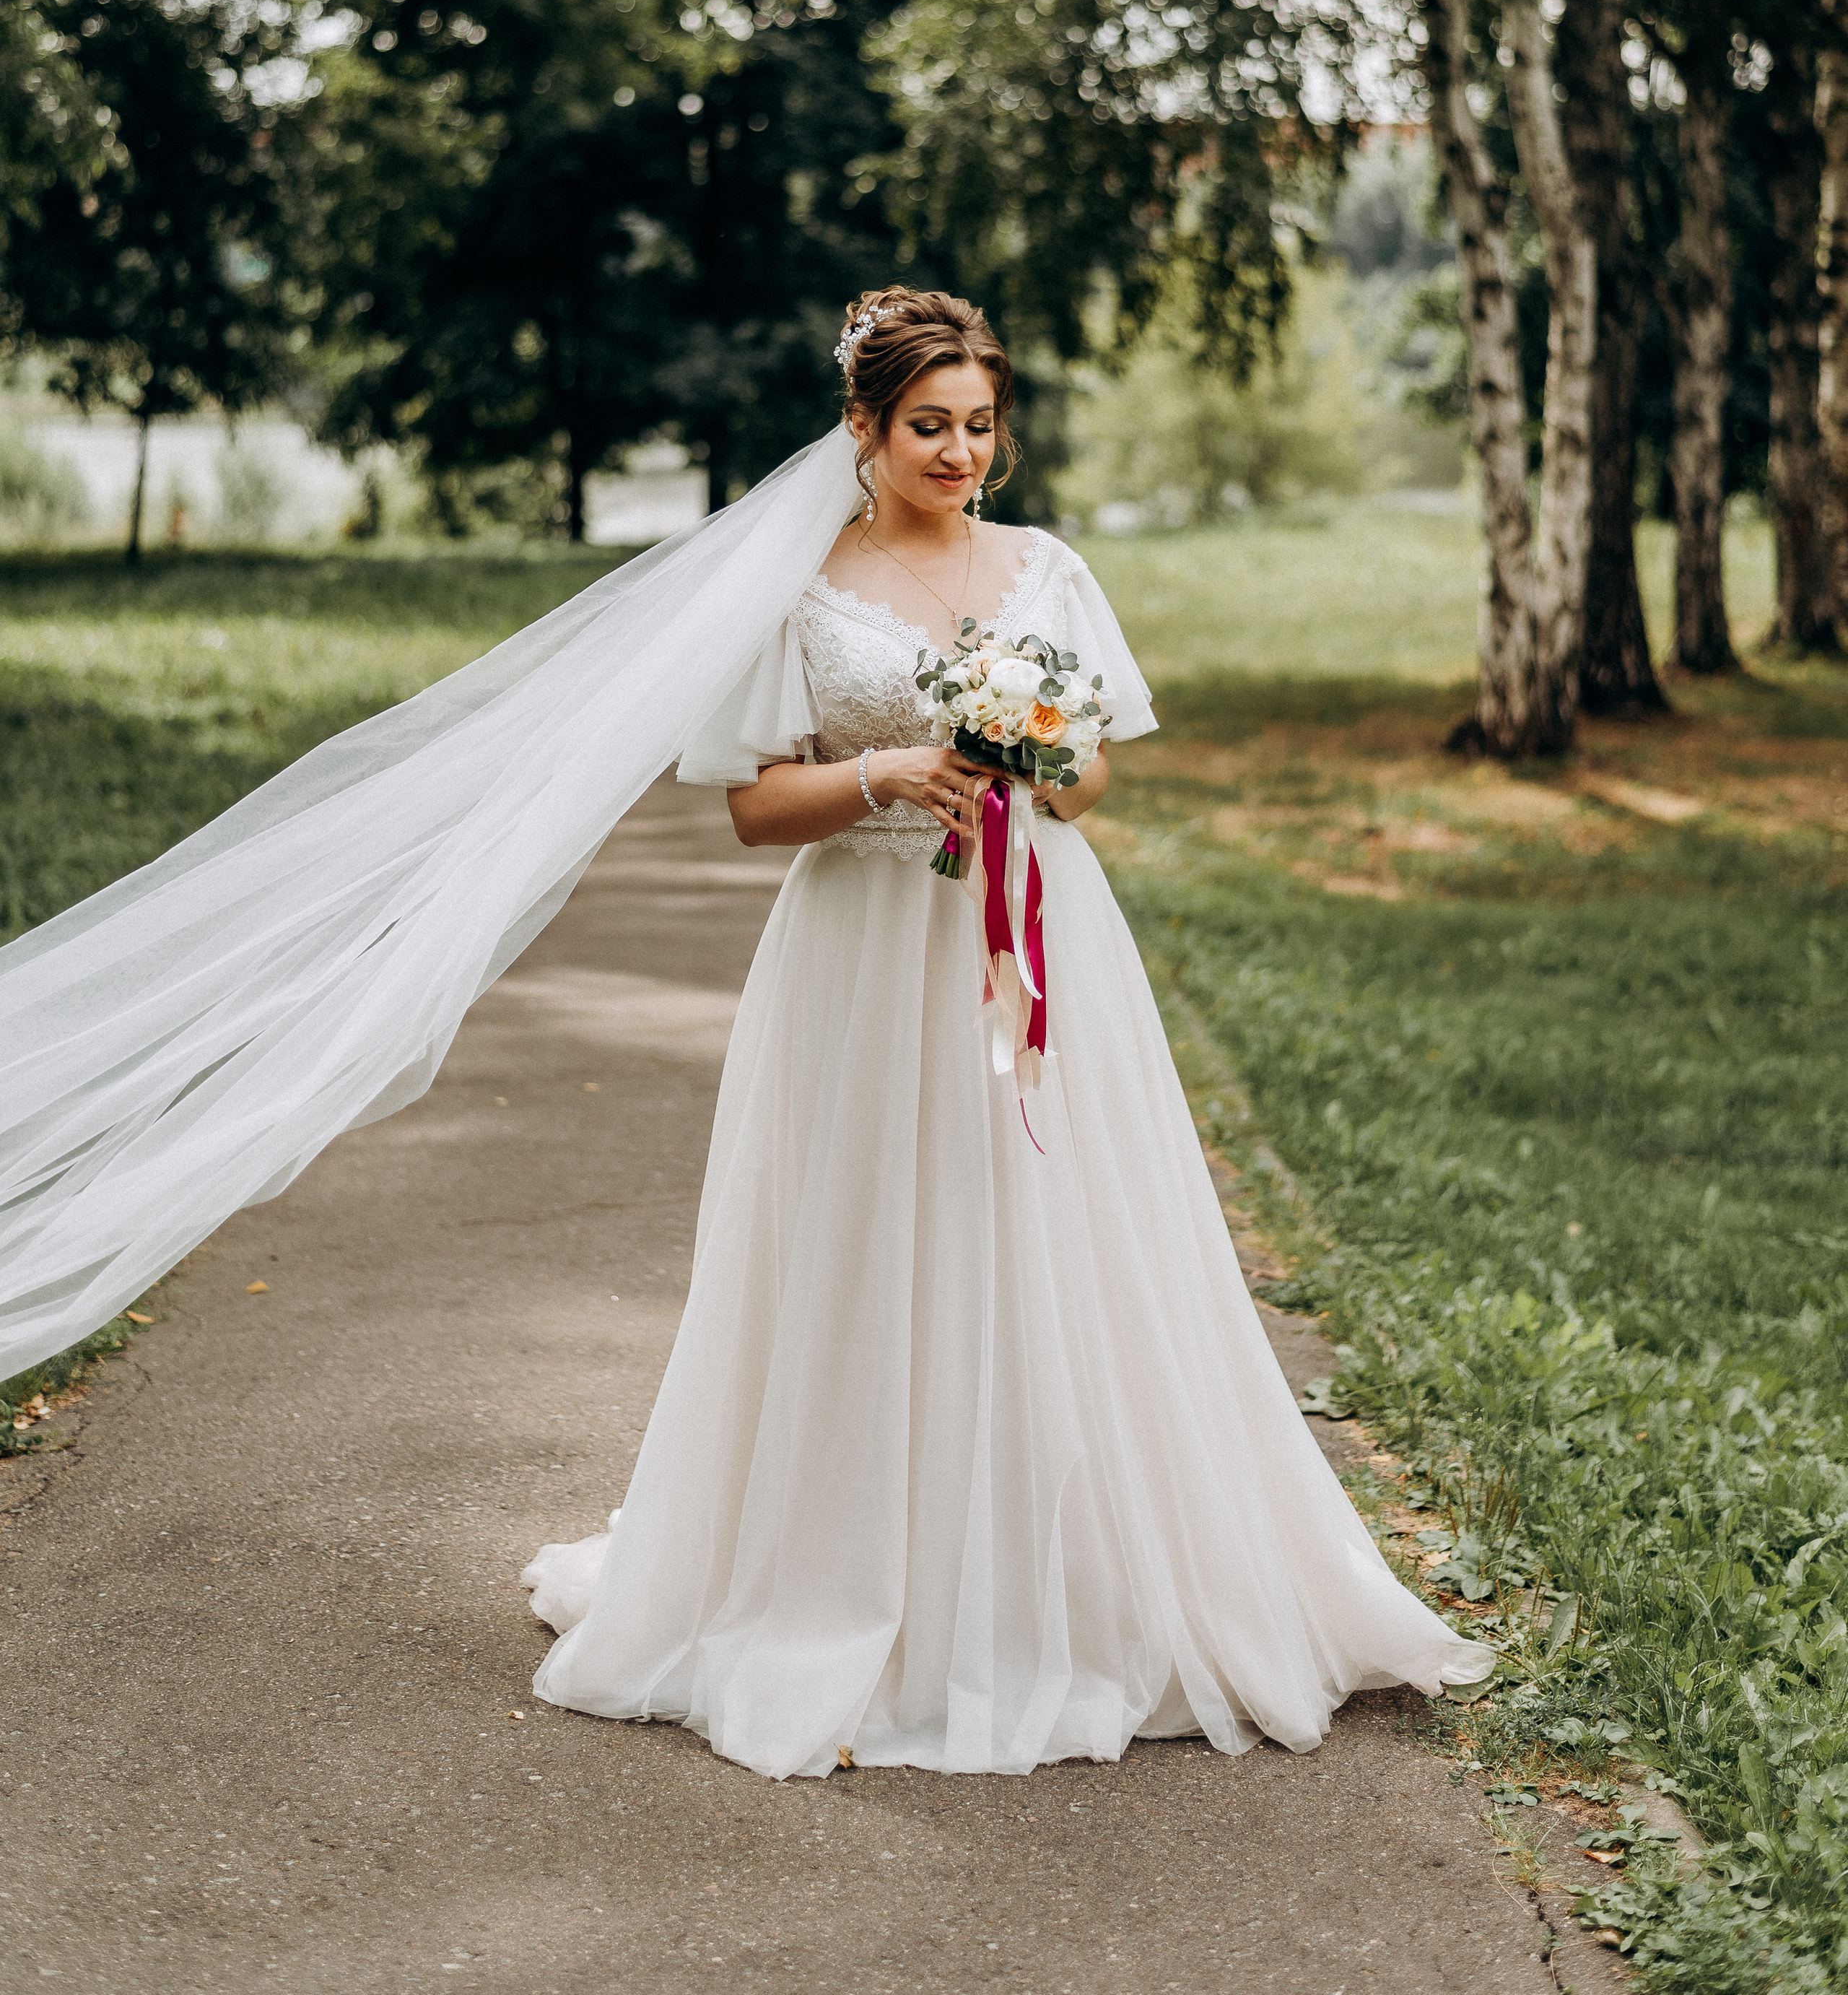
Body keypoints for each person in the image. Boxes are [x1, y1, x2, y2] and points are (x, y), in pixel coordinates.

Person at [520, 287, 1492, 1778]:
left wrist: (1029, 751)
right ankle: (857, 1575)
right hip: (863, 949)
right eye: (928, 426)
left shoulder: (1045, 569)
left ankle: (1062, 1574)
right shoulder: (801, 587)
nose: (959, 453)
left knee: (1047, 1223)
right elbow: (750, 808)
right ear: (862, 428)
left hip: (1041, 940)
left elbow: (1091, 777)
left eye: (979, 425)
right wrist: (888, 773)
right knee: (870, 1238)